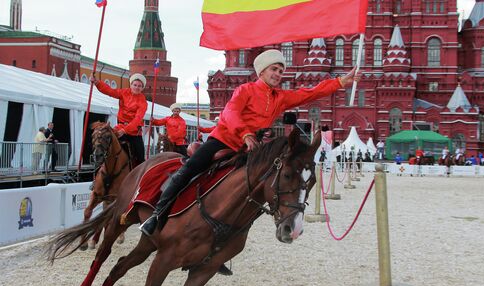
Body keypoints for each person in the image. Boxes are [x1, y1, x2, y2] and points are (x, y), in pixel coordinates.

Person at [140, 49, 359, 236]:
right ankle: (157, 215)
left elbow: (308, 93)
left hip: (249, 148)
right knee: (189, 169)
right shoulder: (244, 90)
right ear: (261, 71)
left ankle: (226, 236)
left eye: (281, 71)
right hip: (223, 140)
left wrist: (340, 82)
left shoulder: (280, 97)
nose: (278, 74)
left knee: (255, 190)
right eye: (274, 69)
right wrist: (245, 134)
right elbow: (231, 113)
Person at [91, 73, 148, 166]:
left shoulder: (143, 102)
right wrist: (97, 83)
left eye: (140, 86)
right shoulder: (124, 92)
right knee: (105, 139)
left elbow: (137, 119)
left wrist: (125, 130)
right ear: (131, 84)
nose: (137, 87)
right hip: (120, 126)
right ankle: (100, 163)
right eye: (135, 85)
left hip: (134, 131)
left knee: (140, 157)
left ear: (142, 88)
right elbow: (110, 91)